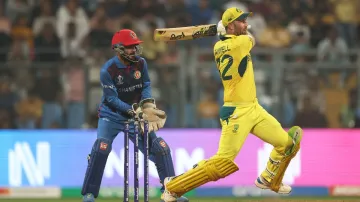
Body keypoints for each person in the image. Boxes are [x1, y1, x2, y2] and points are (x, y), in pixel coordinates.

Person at [161, 8, 303, 202]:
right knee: (222, 163)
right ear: (230, 26)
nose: (246, 25)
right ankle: (173, 187)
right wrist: (231, 31)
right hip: (237, 112)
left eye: (245, 21)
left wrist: (222, 31)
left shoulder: (218, 46)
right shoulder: (241, 43)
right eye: (241, 21)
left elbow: (236, 38)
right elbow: (252, 39)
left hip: (253, 108)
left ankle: (269, 179)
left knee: (287, 144)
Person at [81, 29, 189, 202]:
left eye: (135, 46)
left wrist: (147, 103)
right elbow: (111, 99)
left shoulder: (141, 63)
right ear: (118, 49)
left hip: (135, 117)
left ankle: (171, 192)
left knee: (160, 147)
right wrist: (134, 110)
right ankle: (89, 194)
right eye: (130, 47)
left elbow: (146, 83)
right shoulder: (108, 70)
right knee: (102, 147)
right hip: (111, 116)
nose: (134, 50)